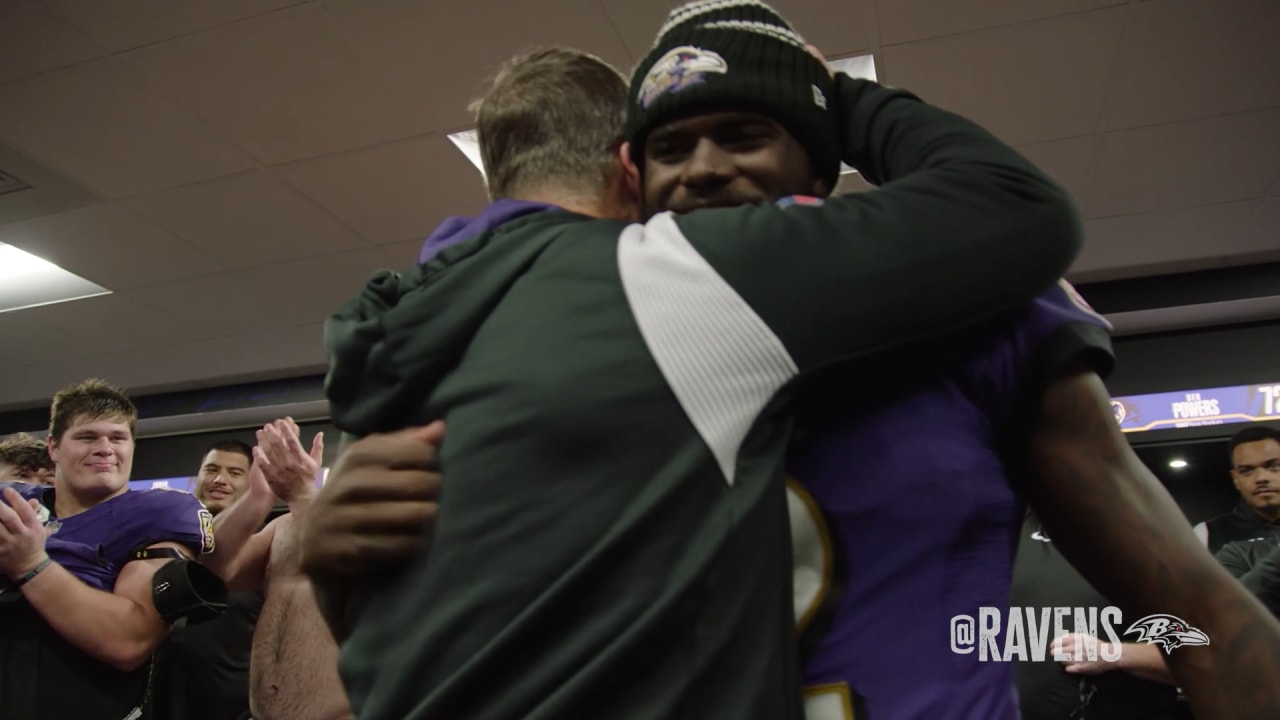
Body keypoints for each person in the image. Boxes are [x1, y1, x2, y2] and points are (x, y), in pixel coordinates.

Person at [311, 3, 1086, 715]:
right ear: (630, 176)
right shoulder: (677, 275)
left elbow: (382, 641)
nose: (705, 170)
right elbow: (1018, 207)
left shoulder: (402, 340)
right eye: (670, 147)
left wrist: (321, 561)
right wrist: (836, 98)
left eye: (746, 134)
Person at [0, 379, 221, 719]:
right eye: (87, 437)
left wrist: (31, 565)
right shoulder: (11, 502)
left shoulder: (160, 513)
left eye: (117, 437)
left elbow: (129, 640)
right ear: (54, 447)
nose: (105, 448)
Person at [204, 419, 353, 720]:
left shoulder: (412, 524)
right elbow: (214, 570)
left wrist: (301, 494)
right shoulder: (284, 525)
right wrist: (258, 497)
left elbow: (352, 575)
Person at [153, 440, 264, 720]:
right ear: (197, 479)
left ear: (252, 485)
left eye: (234, 473)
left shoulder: (264, 553)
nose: (220, 480)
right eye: (211, 470)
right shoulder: (160, 546)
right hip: (159, 705)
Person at [1194, 424, 1280, 552]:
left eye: (1273, 466)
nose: (1261, 478)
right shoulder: (1206, 534)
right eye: (1247, 471)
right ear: (1235, 479)